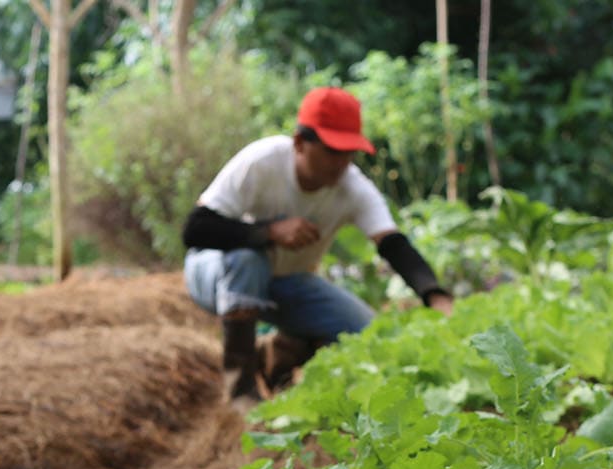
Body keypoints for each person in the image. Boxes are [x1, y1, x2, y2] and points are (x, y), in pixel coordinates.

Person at [181, 86, 454, 403]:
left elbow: (392, 244)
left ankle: (273, 354)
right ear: (299, 143)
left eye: (349, 152)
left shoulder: (353, 188)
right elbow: (195, 229)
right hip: (213, 275)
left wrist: (435, 296)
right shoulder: (262, 162)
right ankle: (240, 391)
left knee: (362, 332)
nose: (342, 163)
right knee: (249, 258)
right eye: (332, 151)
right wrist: (268, 232)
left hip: (285, 284)